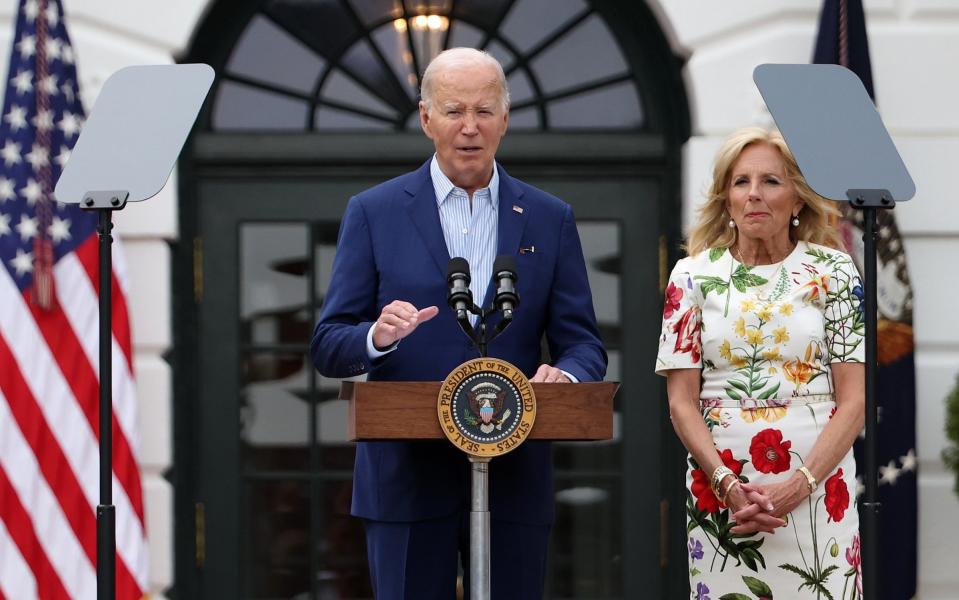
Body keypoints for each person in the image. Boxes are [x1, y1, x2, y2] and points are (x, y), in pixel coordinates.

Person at [311, 47, 606, 599]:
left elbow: (583, 343)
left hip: (514, 476)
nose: (470, 127)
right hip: (406, 478)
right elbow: (330, 344)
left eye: (484, 110)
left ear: (505, 119)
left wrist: (564, 376)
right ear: (426, 118)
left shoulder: (548, 217)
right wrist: (376, 336)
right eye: (453, 111)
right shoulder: (374, 212)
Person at [656, 127, 865, 599]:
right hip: (723, 492)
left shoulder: (833, 271)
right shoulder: (691, 275)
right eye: (740, 181)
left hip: (819, 490)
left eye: (771, 181)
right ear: (725, 199)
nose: (754, 194)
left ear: (797, 199)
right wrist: (727, 485)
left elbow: (854, 399)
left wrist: (801, 484)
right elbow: (681, 402)